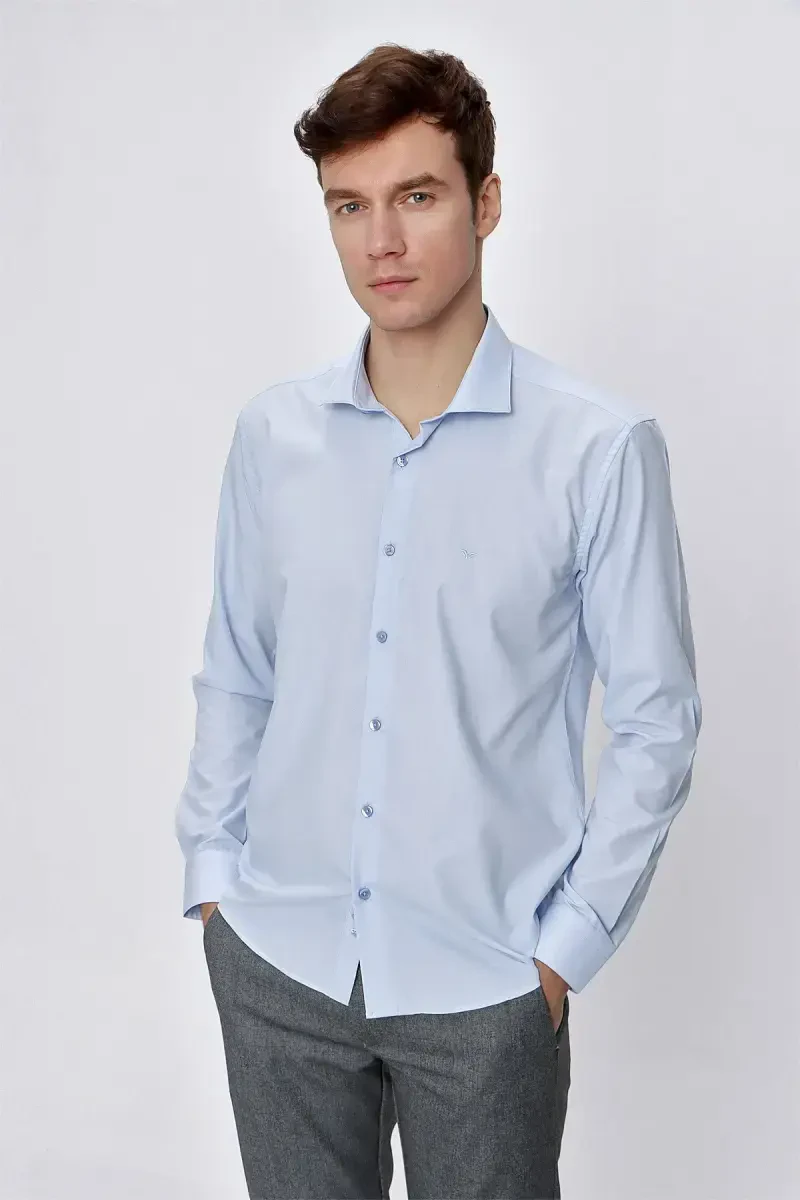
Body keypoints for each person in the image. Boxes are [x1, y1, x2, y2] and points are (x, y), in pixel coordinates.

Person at [175, 42, 702, 1200]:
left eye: (415, 197)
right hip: (278, 964)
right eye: (348, 205)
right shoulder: (273, 437)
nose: (382, 241)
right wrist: (214, 878)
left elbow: (656, 723)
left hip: (485, 988)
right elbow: (238, 672)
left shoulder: (597, 449)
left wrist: (559, 953)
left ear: (485, 201)